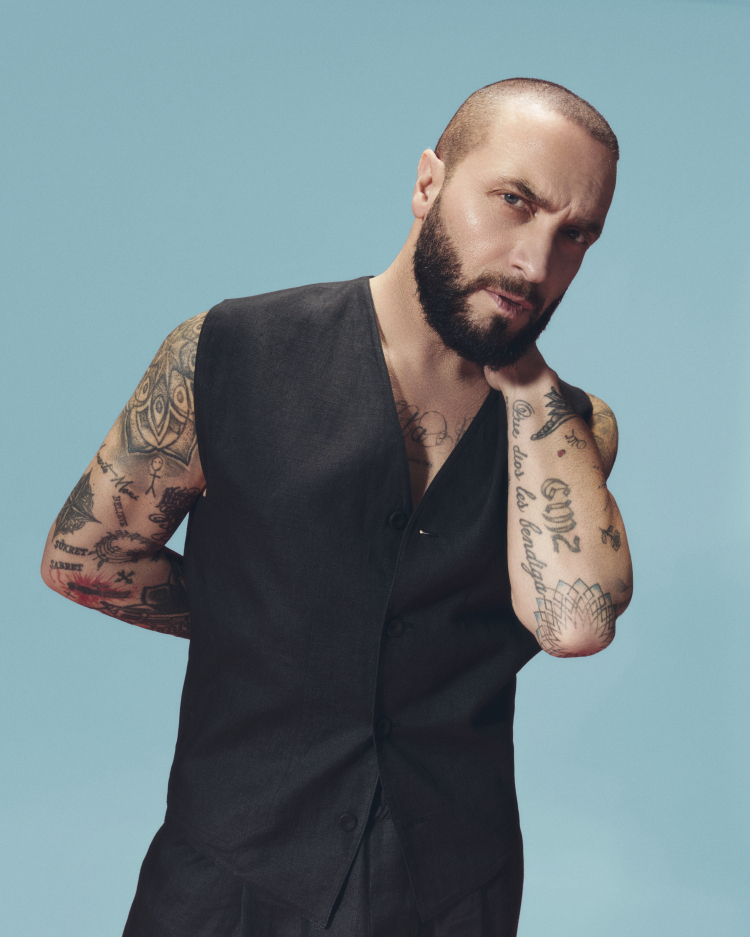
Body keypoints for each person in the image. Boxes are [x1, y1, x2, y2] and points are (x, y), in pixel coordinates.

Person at [42, 77, 633, 937]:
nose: (535, 264)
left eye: (575, 234)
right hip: (228, 878)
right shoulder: (228, 351)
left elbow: (573, 622)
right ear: (429, 183)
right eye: (515, 202)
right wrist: (268, 627)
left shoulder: (571, 430)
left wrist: (526, 375)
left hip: (448, 891)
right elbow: (86, 559)